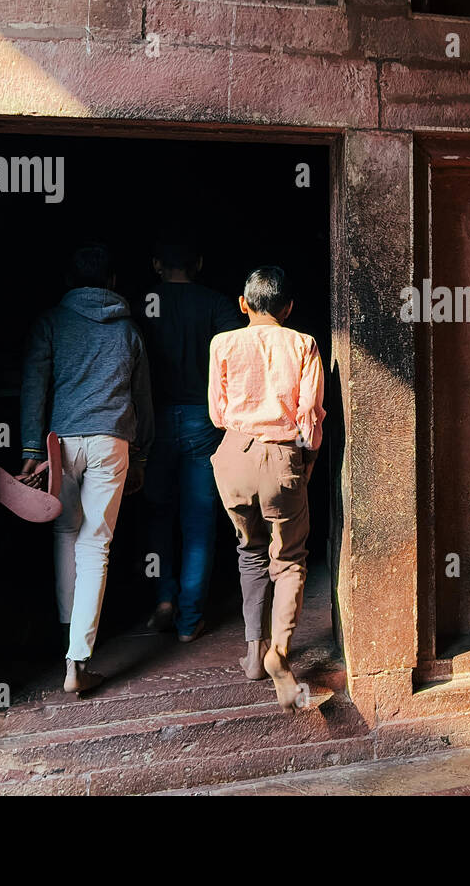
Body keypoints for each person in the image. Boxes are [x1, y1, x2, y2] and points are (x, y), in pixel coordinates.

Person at [20, 244, 153, 694]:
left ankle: (66, 634)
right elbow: (143, 401)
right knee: (96, 546)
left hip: (60, 444)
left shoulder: (50, 322)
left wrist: (30, 447)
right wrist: (141, 454)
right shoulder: (129, 331)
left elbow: (34, 387)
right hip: (111, 442)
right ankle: (77, 661)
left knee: (64, 534)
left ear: (67, 281)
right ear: (113, 282)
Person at [208, 267, 325, 710]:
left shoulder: (222, 343)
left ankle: (253, 655)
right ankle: (279, 652)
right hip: (281, 457)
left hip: (233, 456)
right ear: (289, 307)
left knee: (249, 550)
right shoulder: (302, 343)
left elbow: (217, 413)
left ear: (243, 304)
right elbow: (308, 416)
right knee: (290, 561)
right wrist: (306, 461)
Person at [137, 235, 241, 642]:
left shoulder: (143, 304)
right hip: (204, 421)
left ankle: (164, 600)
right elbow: (235, 363)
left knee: (158, 514)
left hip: (154, 422)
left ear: (157, 264)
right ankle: (189, 619)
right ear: (198, 262)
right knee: (199, 523)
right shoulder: (217, 305)